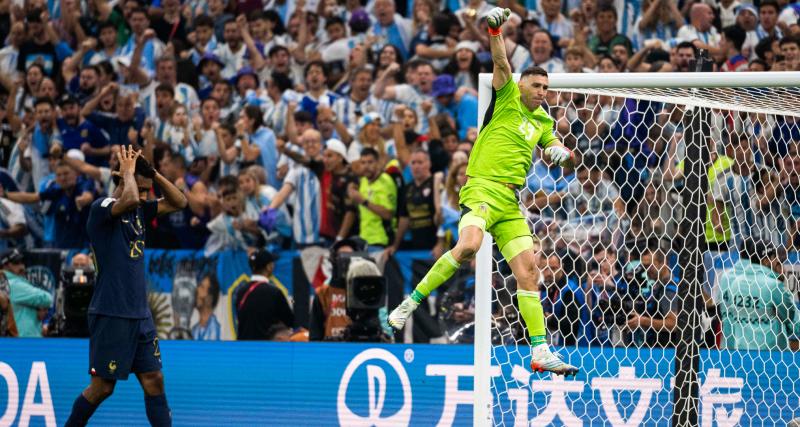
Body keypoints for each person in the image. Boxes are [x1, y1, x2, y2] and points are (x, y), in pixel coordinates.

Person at [388, 8, 579, 376]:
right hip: (481, 188)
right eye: (536, 86)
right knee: (469, 247)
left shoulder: (543, 121)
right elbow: (501, 60)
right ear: (522, 85)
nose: (541, 92)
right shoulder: (506, 94)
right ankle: (410, 303)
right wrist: (494, 28)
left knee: (528, 272)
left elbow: (559, 153)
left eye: (545, 88)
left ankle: (539, 351)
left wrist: (564, 155)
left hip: (509, 202)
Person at [65, 146, 187, 427]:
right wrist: (129, 172)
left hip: (140, 314)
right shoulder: (101, 209)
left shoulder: (139, 210)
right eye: (142, 189)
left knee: (154, 380)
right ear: (121, 178)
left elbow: (179, 201)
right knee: (102, 388)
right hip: (111, 311)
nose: (145, 196)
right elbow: (130, 196)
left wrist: (153, 173)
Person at [714, 239, 799, 351]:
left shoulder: (735, 283)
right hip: (772, 354)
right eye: (774, 258)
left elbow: (726, 317)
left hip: (740, 351)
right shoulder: (773, 286)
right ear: (765, 261)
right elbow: (790, 317)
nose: (777, 261)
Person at [236, 249, 294, 340]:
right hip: (266, 348)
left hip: (243, 348)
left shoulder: (240, 292)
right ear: (269, 267)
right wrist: (293, 302)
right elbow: (290, 321)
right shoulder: (274, 293)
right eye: (272, 263)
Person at [1, 248, 53, 337]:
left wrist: (40, 308)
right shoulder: (14, 284)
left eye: (22, 262)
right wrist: (41, 306)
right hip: (24, 341)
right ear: (5, 266)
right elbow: (47, 298)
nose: (22, 267)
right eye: (16, 263)